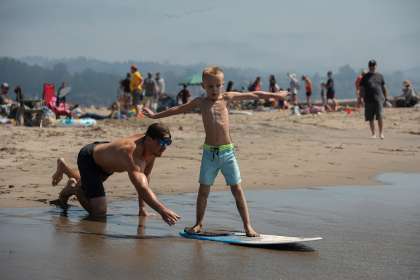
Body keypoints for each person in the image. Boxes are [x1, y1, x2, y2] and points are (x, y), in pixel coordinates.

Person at [142, 66, 288, 237]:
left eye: (218, 85)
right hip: (209, 154)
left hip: (228, 153)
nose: (214, 89)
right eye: (210, 86)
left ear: (222, 85)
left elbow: (255, 94)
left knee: (237, 190)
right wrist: (155, 116)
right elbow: (178, 109)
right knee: (203, 191)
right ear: (203, 86)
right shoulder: (200, 102)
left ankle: (248, 226)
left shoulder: (227, 98)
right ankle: (198, 224)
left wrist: (276, 96)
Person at [50, 123, 180, 225]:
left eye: (168, 143)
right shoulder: (131, 154)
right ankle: (76, 189)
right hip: (89, 159)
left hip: (106, 159)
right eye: (162, 143)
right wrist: (162, 209)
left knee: (88, 182)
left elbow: (145, 177)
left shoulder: (152, 148)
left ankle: (65, 169)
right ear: (149, 139)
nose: (164, 147)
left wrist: (142, 209)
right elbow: (141, 187)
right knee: (99, 212)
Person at [359, 59, 389, 139]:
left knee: (380, 117)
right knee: (370, 118)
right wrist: (361, 98)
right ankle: (373, 134)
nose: (372, 67)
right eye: (371, 65)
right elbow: (361, 88)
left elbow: (384, 87)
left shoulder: (380, 76)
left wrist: (386, 98)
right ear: (369, 66)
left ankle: (381, 133)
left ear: (376, 66)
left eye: (374, 65)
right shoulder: (365, 77)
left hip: (379, 99)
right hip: (368, 99)